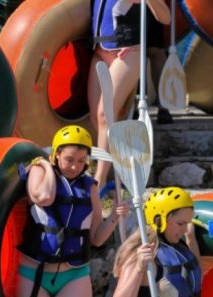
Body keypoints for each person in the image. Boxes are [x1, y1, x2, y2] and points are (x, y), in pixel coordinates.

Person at [17, 125, 130, 297]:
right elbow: (44, 197)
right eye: (69, 159)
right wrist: (46, 165)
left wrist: (115, 216)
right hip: (35, 275)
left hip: (74, 275)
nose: (75, 167)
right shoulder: (38, 171)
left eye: (81, 161)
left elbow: (96, 238)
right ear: (56, 153)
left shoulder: (90, 186)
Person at [88, 0, 171, 191]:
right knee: (97, 117)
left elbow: (165, 18)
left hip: (126, 52)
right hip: (99, 51)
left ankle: (98, 181)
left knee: (105, 113)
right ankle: (115, 173)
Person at [112, 187, 208, 297]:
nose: (184, 229)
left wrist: (191, 239)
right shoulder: (142, 253)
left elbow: (193, 279)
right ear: (160, 219)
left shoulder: (179, 248)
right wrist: (139, 269)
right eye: (180, 223)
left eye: (187, 224)